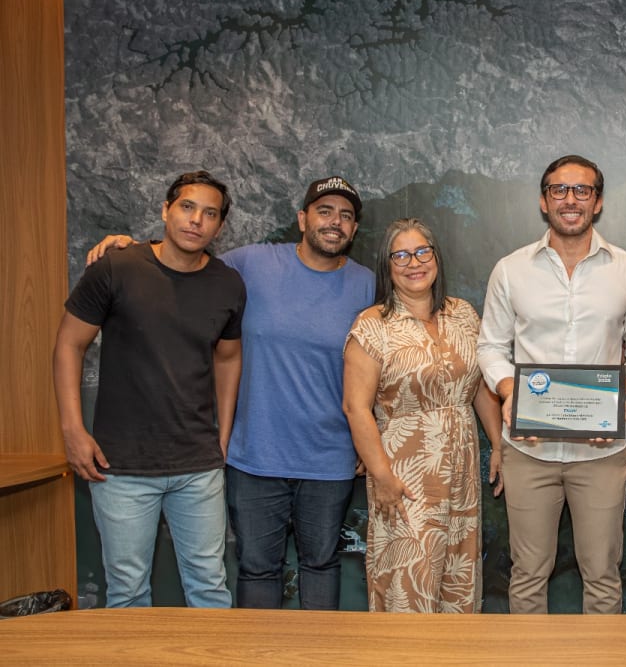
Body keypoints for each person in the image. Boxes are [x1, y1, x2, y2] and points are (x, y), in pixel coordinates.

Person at [85, 176, 376, 610]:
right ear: (302, 219)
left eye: (346, 215)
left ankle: (320, 648)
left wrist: (370, 437)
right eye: (324, 211)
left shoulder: (367, 284)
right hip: (254, 454)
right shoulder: (251, 263)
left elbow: (385, 361)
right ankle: (254, 648)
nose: (335, 222)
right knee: (256, 568)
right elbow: (184, 256)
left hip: (329, 457)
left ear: (354, 229)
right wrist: (133, 247)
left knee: (321, 563)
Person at [53, 171, 246, 608]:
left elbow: (228, 357)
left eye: (210, 213)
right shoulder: (117, 267)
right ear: (165, 210)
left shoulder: (227, 284)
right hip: (120, 466)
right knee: (127, 591)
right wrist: (73, 429)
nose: (196, 220)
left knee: (210, 588)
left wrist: (223, 434)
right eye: (187, 207)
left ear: (219, 226)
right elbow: (69, 344)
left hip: (197, 467)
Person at [477, 154, 626, 614]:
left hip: (601, 452)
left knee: (602, 575)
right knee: (527, 574)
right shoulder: (510, 270)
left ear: (598, 202)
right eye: (559, 190)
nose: (570, 199)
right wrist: (509, 392)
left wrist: (619, 392)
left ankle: (600, 654)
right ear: (544, 201)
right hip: (528, 449)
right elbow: (490, 347)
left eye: (582, 190)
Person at [343, 218, 503, 613]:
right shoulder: (372, 326)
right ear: (387, 265)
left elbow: (479, 387)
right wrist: (382, 477)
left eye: (421, 252)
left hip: (462, 475)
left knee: (458, 586)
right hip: (405, 476)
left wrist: (499, 444)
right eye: (400, 255)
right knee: (408, 584)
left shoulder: (463, 314)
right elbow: (355, 407)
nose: (413, 263)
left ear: (436, 257)